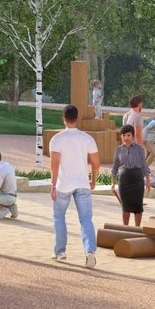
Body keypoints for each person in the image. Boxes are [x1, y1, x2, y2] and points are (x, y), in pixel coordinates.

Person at [46, 103, 101, 267]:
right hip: (82, 183)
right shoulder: (87, 138)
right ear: (78, 118)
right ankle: (90, 251)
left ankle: (60, 251)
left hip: (63, 184)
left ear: (63, 118)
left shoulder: (57, 139)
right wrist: (93, 180)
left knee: (59, 217)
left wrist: (53, 185)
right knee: (86, 219)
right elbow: (96, 164)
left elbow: (54, 165)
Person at [113, 123, 150, 228]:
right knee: (125, 207)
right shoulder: (119, 149)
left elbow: (144, 165)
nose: (126, 138)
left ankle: (137, 229)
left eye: (128, 135)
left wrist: (148, 181)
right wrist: (113, 184)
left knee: (138, 206)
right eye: (124, 135)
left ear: (132, 136)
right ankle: (126, 229)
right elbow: (115, 167)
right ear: (121, 136)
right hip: (124, 181)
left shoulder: (139, 149)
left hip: (137, 180)